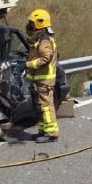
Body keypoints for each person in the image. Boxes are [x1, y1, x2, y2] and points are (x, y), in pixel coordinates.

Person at [24, 8, 59, 143]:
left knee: (46, 106)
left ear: (39, 24)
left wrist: (29, 65)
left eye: (32, 23)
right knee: (40, 106)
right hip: (40, 79)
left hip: (45, 79)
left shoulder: (44, 39)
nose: (30, 26)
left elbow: (46, 58)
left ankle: (51, 134)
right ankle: (42, 130)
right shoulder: (40, 38)